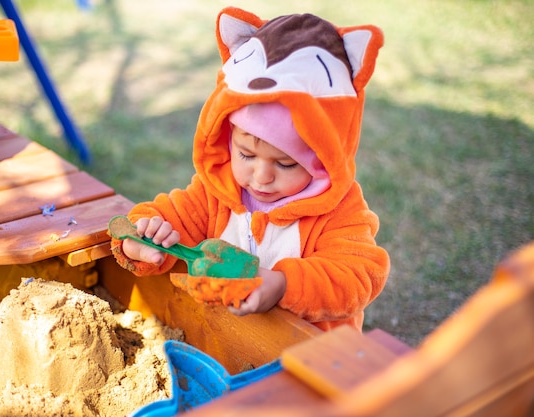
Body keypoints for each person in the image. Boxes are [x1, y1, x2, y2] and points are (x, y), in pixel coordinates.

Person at [111, 7, 389, 332]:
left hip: (309, 354)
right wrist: (141, 238)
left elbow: (358, 275)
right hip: (227, 339)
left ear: (323, 161)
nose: (261, 177)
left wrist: (285, 284)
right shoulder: (217, 192)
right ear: (228, 139)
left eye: (285, 164)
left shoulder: (338, 211)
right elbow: (171, 215)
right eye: (246, 155)